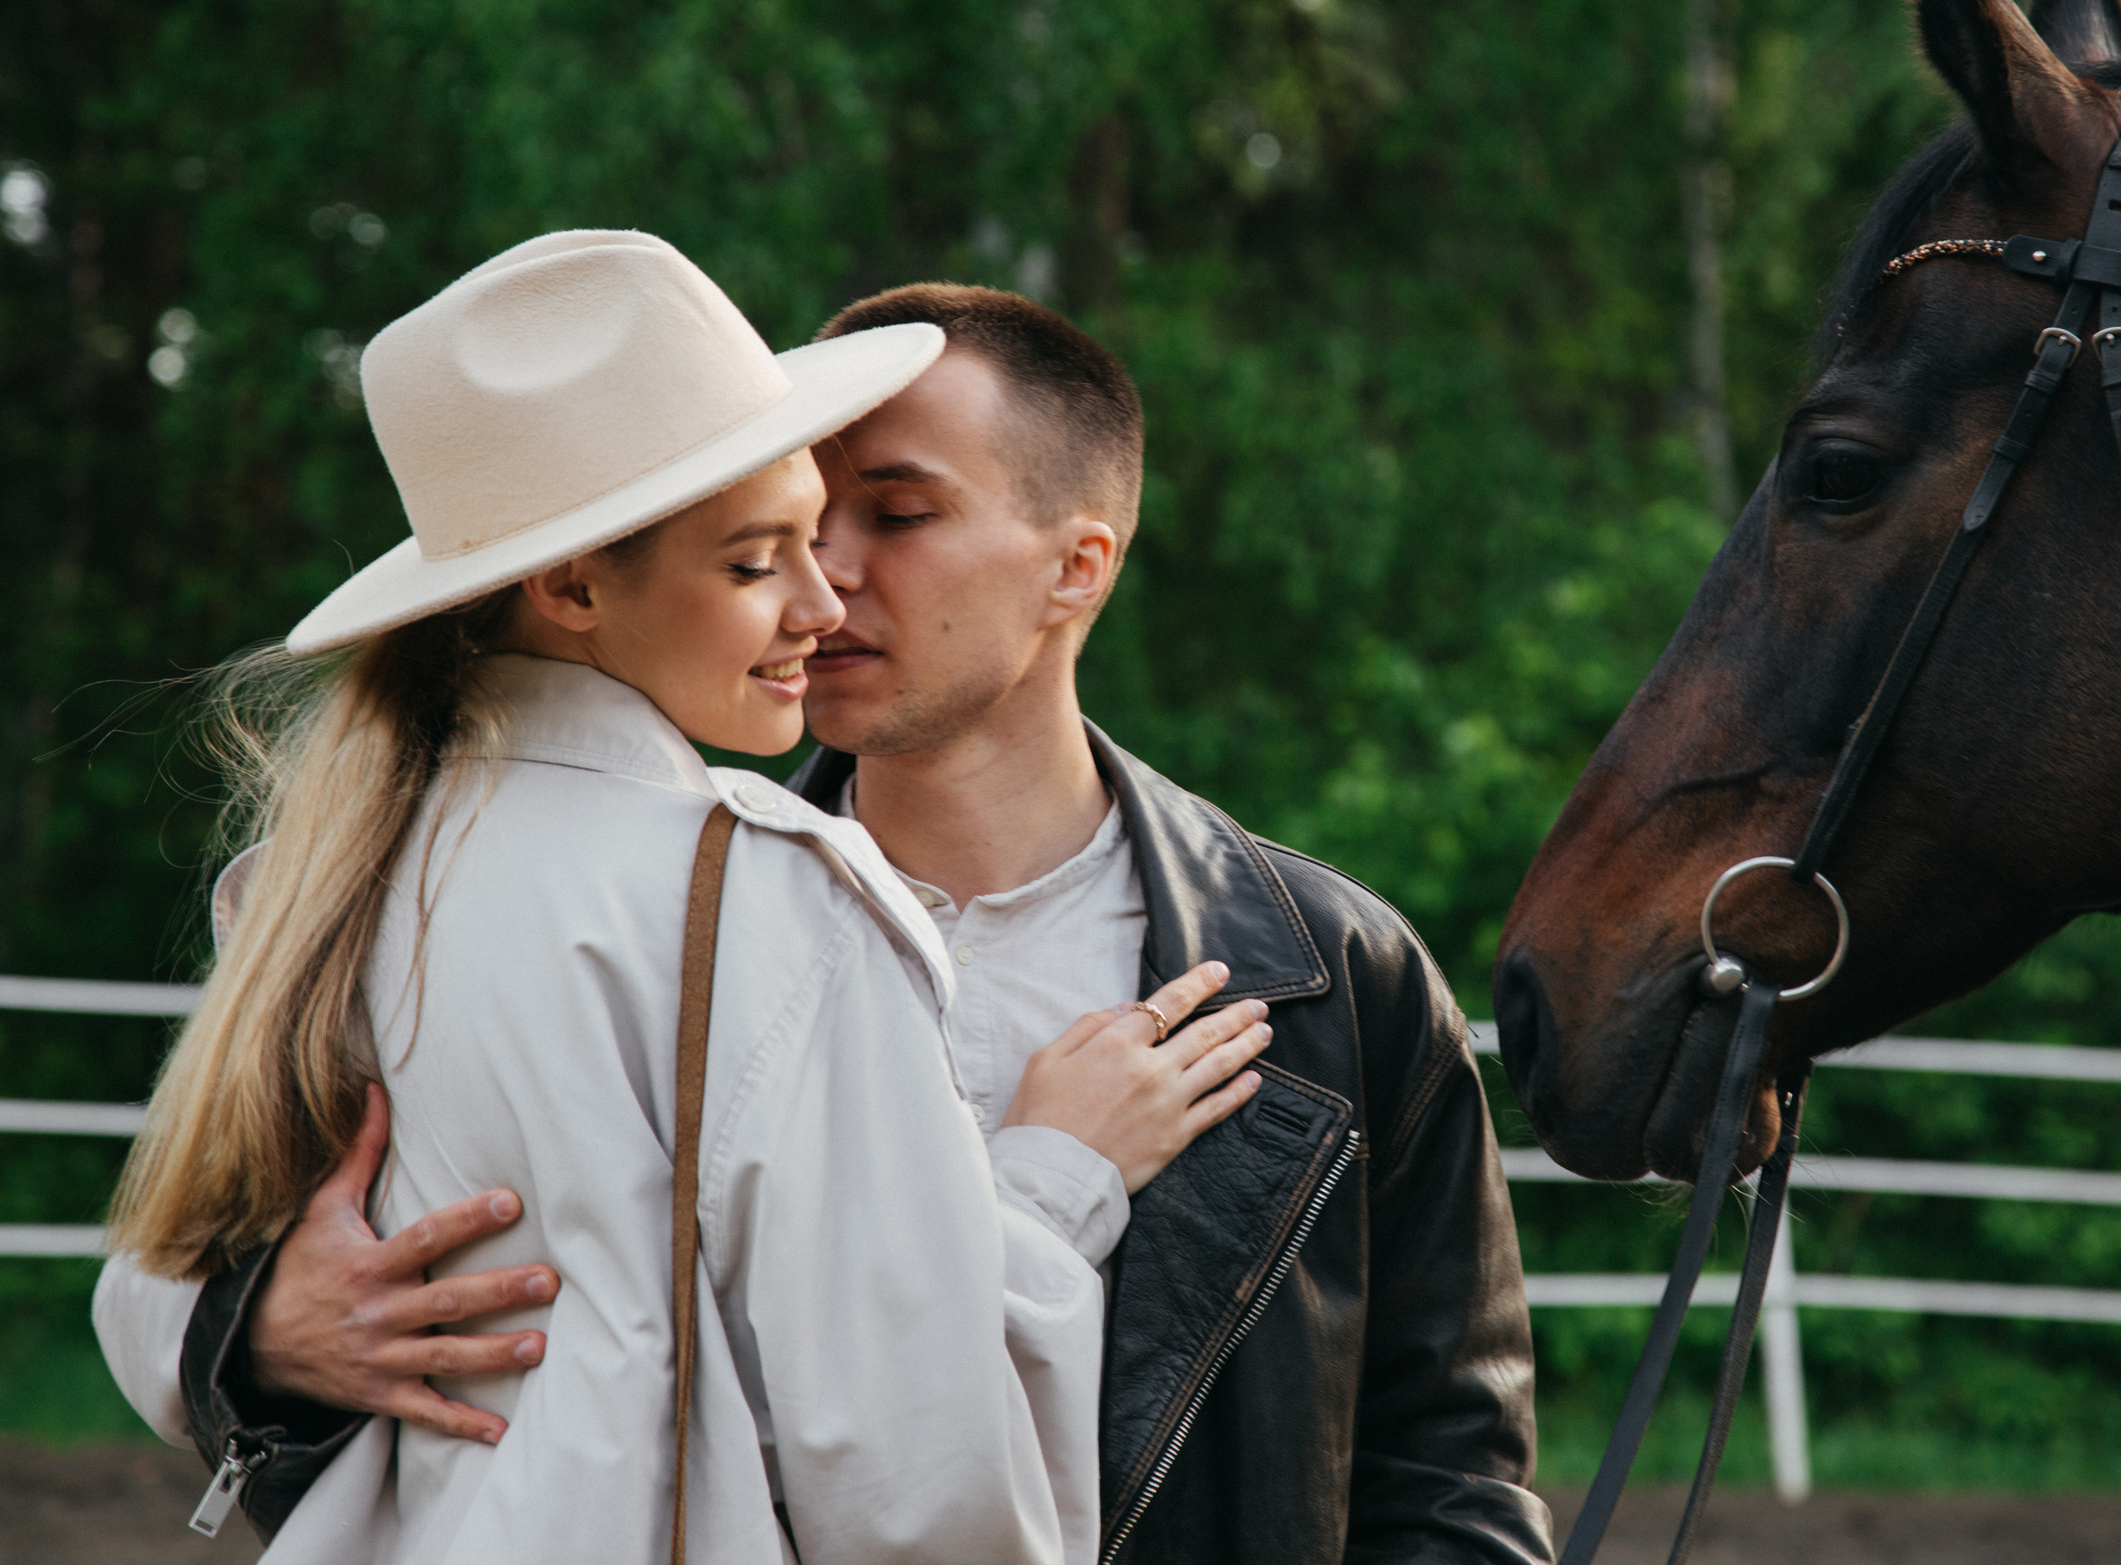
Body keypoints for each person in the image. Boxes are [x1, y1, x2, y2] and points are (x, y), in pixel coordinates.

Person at [105, 283, 1555, 1564]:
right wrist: (269, 1334)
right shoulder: (719, 891)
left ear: (1079, 565)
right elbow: (165, 1283)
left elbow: (1448, 1481)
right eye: (779, 533)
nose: (832, 577)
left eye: (896, 515)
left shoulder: (1335, 977)